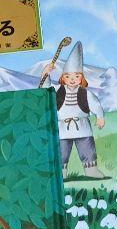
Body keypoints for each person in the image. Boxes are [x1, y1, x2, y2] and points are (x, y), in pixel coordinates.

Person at [40, 41, 106, 178]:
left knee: (87, 149)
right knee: (61, 151)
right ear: (63, 77)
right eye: (68, 76)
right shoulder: (57, 90)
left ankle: (91, 171)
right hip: (62, 128)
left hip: (82, 127)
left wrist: (100, 116)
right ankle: (61, 173)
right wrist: (45, 73)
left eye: (76, 76)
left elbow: (95, 104)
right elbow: (45, 89)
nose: (72, 80)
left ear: (81, 78)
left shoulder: (85, 93)